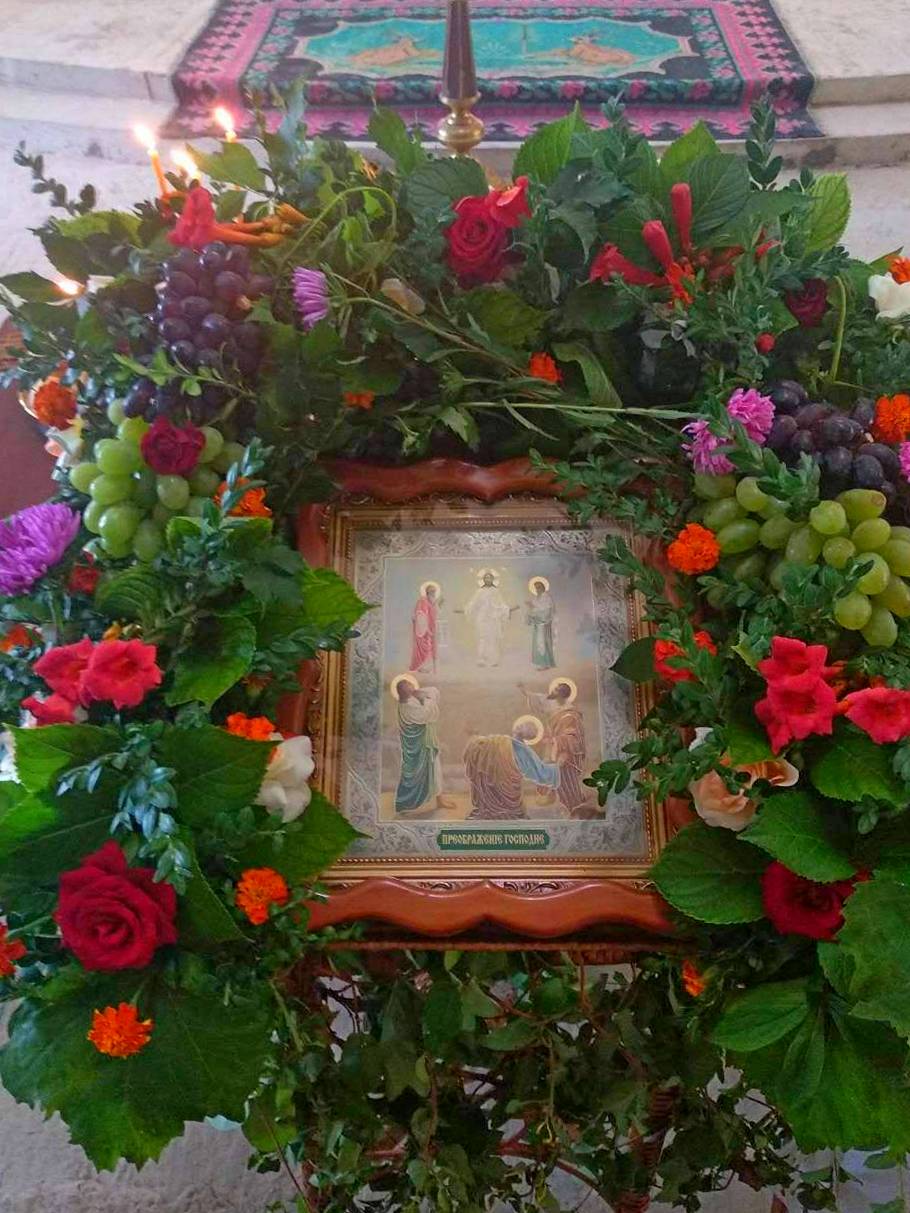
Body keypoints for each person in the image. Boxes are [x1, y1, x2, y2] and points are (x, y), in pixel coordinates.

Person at [519, 679, 592, 815]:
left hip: (566, 753)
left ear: (562, 694)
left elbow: (573, 737)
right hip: (552, 749)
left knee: (565, 781)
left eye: (556, 690)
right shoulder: (553, 705)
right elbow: (539, 699)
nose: (552, 691)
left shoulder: (571, 713)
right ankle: (557, 806)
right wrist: (524, 691)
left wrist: (556, 741)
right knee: (549, 775)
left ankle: (574, 807)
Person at [463, 718, 560, 819]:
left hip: (502, 810)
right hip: (506, 811)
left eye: (528, 727)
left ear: (530, 734)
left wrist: (550, 751)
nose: (521, 726)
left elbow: (544, 774)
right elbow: (545, 774)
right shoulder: (510, 747)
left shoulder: (520, 751)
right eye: (524, 724)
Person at [394, 682, 454, 814]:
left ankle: (440, 800)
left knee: (436, 770)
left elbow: (433, 690)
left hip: (426, 745)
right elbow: (427, 714)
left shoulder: (411, 700)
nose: (413, 687)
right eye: (409, 686)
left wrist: (420, 695)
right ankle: (405, 804)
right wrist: (425, 699)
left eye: (411, 685)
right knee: (415, 776)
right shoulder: (407, 707)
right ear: (403, 691)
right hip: (419, 749)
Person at [459, 572, 517, 667]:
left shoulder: (496, 591)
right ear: (483, 580)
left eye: (489, 578)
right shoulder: (479, 591)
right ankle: (481, 659)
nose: (487, 579)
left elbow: (501, 604)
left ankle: (493, 659)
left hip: (493, 618)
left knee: (492, 638)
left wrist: (507, 609)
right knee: (482, 637)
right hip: (482, 618)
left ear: (492, 579)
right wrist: (466, 610)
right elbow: (473, 603)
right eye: (486, 578)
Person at [525, 579, 556, 670]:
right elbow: (532, 610)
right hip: (537, 624)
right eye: (536, 588)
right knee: (538, 643)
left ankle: (545, 664)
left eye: (539, 587)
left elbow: (547, 610)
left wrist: (534, 609)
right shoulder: (535, 598)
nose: (537, 589)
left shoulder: (547, 598)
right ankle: (540, 663)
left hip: (543, 623)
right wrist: (530, 612)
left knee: (543, 643)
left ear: (543, 587)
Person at [409, 583, 438, 673]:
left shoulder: (432, 602)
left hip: (431, 629)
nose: (434, 594)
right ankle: (420, 667)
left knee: (431, 648)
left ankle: (427, 667)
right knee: (425, 647)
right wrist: (427, 630)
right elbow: (421, 616)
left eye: (434, 592)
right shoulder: (423, 601)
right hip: (423, 630)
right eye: (432, 592)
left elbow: (433, 614)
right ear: (428, 592)